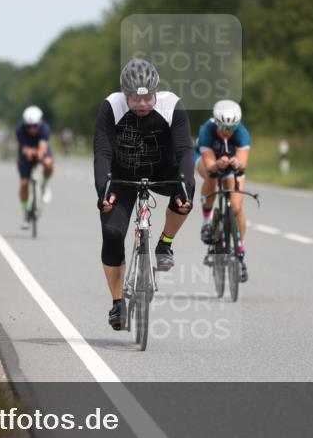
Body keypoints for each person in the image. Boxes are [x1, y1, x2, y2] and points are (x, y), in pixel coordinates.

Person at [94, 58, 195, 330]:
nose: (142, 105)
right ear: (124, 95)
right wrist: (103, 190)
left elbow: (186, 150)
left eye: (148, 98)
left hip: (163, 171)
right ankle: (117, 303)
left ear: (156, 92)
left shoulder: (171, 105)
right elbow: (102, 153)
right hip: (123, 175)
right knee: (113, 233)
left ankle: (165, 242)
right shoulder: (111, 106)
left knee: (186, 194)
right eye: (135, 99)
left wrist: (185, 184)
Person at [196, 99, 251, 281]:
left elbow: (243, 164)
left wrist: (237, 162)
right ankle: (207, 221)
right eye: (223, 129)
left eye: (231, 129)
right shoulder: (206, 131)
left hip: (231, 166)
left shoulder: (242, 133)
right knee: (211, 177)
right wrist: (217, 164)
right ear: (216, 122)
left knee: (236, 207)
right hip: (209, 161)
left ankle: (240, 249)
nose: (226, 133)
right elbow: (210, 165)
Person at [16, 106, 54, 229]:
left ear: (40, 123)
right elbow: (24, 148)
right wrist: (29, 152)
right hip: (26, 154)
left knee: (49, 163)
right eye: (29, 126)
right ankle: (25, 212)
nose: (32, 129)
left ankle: (45, 185)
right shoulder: (20, 129)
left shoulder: (45, 128)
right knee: (24, 183)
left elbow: (43, 146)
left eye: (35, 126)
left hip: (40, 150)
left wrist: (39, 155)